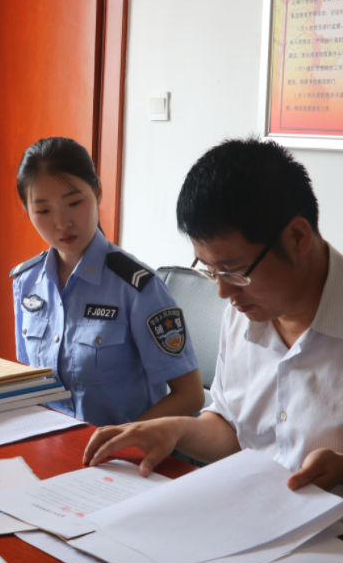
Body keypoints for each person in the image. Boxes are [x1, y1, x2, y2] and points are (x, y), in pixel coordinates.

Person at [84, 137, 343, 560]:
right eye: (210, 270)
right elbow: (236, 431)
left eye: (234, 270)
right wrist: (176, 430)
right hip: (260, 544)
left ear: (298, 236)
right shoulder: (244, 310)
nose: (223, 292)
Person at [11, 137, 204, 428]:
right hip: (48, 443)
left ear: (98, 192)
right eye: (44, 211)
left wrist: (122, 441)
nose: (62, 223)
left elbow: (190, 396)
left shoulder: (138, 288)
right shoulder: (26, 282)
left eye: (74, 202)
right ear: (27, 210)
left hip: (120, 451)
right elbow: (30, 384)